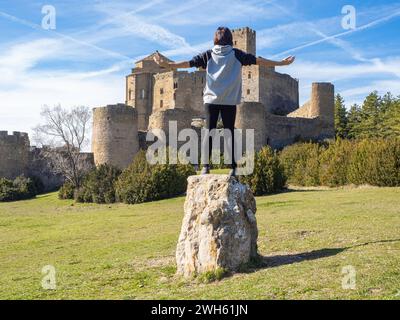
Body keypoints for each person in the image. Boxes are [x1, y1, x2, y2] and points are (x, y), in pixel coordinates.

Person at [154, 26, 295, 176]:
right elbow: (258, 60)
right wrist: (281, 63)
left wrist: (168, 65)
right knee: (230, 133)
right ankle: (233, 168)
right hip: (229, 101)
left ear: (215, 39)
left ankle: (205, 167)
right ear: (230, 40)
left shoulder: (209, 55)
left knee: (208, 132)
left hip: (211, 100)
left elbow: (188, 63)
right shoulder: (236, 54)